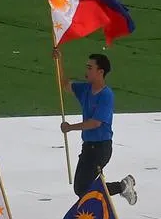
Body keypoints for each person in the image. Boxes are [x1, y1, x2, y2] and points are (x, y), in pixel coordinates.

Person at [58, 51, 137, 204]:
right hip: (88, 147)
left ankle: (122, 187)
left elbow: (95, 123)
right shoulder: (85, 89)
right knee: (81, 188)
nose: (86, 71)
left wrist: (70, 127)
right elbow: (65, 84)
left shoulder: (106, 95)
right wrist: (59, 60)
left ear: (100, 72)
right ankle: (122, 186)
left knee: (83, 189)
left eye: (90, 68)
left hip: (101, 148)